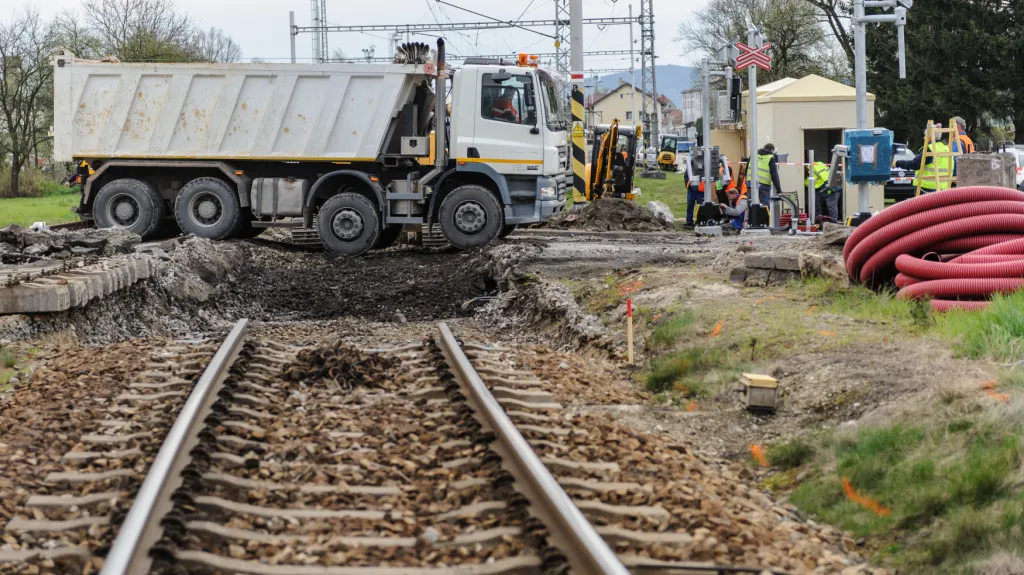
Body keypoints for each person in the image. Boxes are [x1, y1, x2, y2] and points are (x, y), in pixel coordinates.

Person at [896, 126, 953, 193]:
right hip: (943, 190)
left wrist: (897, 163)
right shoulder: (947, 149)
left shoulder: (929, 149)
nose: (924, 138)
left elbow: (914, 164)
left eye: (925, 135)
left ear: (930, 137)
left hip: (926, 190)